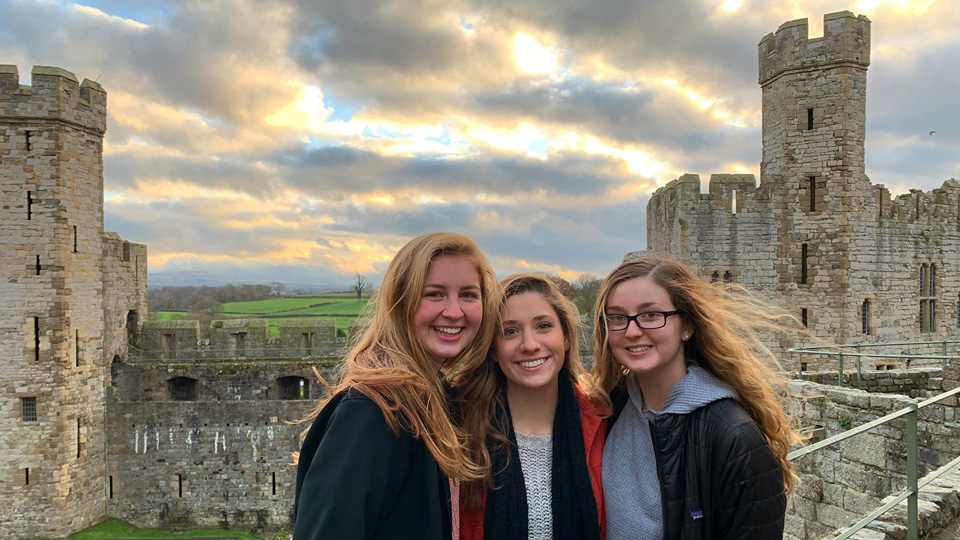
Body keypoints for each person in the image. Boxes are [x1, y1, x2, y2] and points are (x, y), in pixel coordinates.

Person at [293, 232, 499, 540]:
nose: (455, 311)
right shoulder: (371, 411)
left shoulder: (433, 396)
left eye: (468, 294)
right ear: (400, 301)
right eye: (434, 294)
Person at [592, 255, 802, 540]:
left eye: (651, 315)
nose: (632, 330)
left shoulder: (733, 437)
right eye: (617, 317)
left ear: (687, 326)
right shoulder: (606, 410)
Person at [455, 274, 606, 540]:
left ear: (566, 337)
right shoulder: (458, 430)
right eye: (510, 331)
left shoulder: (604, 420)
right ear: (492, 349)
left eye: (543, 326)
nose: (530, 345)